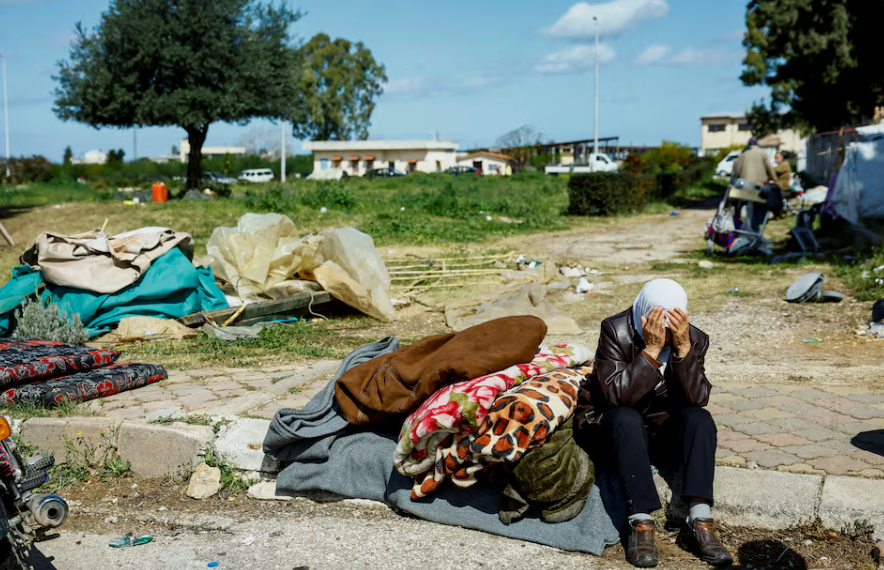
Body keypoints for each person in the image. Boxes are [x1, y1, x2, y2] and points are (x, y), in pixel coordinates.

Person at [575, 279, 732, 568]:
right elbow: (618, 396)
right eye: (659, 320)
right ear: (644, 314)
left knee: (700, 419)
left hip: (659, 430)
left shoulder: (694, 338)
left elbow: (697, 398)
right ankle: (641, 522)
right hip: (614, 427)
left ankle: (700, 518)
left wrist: (683, 350)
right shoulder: (615, 330)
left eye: (672, 323)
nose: (666, 330)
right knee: (627, 416)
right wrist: (651, 350)